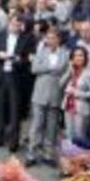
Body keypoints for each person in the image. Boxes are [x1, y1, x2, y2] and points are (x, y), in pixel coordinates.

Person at [0, 16, 34, 153]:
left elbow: (28, 59)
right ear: (9, 23)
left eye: (18, 25)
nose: (15, 27)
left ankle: (13, 141)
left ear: (21, 26)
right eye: (13, 24)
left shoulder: (27, 38)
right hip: (1, 75)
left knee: (14, 111)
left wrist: (17, 59)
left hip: (16, 76)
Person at [26, 28, 68, 167]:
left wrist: (47, 69)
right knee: (36, 125)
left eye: (53, 38)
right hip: (39, 93)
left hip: (56, 93)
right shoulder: (41, 52)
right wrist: (51, 68)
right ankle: (31, 154)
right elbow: (34, 69)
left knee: (51, 127)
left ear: (58, 40)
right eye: (48, 38)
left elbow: (65, 71)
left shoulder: (65, 54)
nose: (50, 41)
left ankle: (48, 155)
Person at [60, 47, 90, 142]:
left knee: (80, 137)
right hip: (68, 107)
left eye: (81, 55)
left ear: (85, 57)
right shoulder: (71, 71)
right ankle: (70, 152)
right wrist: (69, 71)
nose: (78, 58)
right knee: (69, 135)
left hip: (82, 109)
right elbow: (60, 85)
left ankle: (81, 152)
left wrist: (76, 93)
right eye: (75, 56)